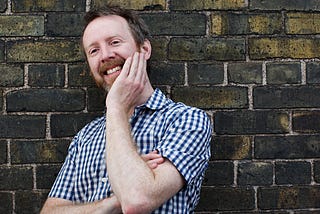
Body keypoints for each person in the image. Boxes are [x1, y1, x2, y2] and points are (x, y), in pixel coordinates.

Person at [41, 4, 212, 214]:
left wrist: (115, 107)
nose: (104, 55)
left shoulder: (186, 120)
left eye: (114, 42)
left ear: (144, 49)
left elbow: (136, 202)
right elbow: (50, 211)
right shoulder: (85, 138)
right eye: (94, 50)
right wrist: (112, 201)